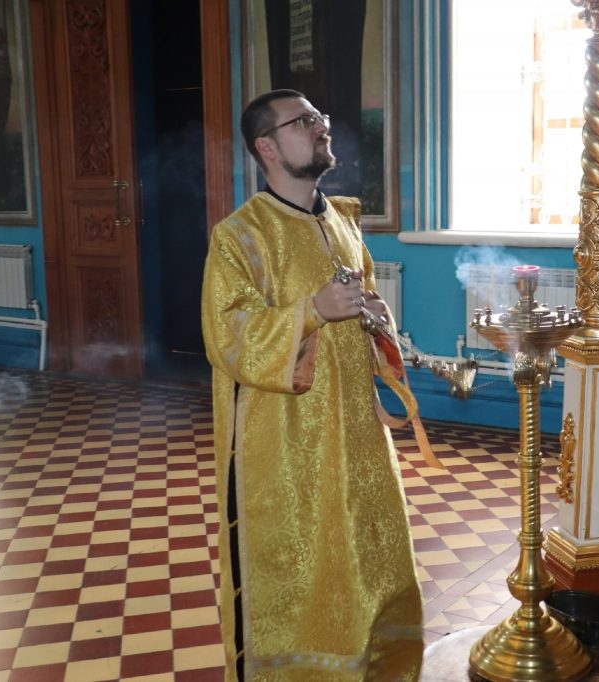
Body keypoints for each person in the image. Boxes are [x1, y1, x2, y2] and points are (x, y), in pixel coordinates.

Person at [201, 89, 423, 681]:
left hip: (357, 429)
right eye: (303, 122)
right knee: (305, 565)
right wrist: (312, 311)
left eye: (319, 117)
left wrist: (375, 317)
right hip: (287, 441)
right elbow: (226, 334)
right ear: (267, 147)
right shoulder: (240, 235)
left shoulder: (341, 220)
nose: (321, 127)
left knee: (371, 557)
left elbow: (362, 305)